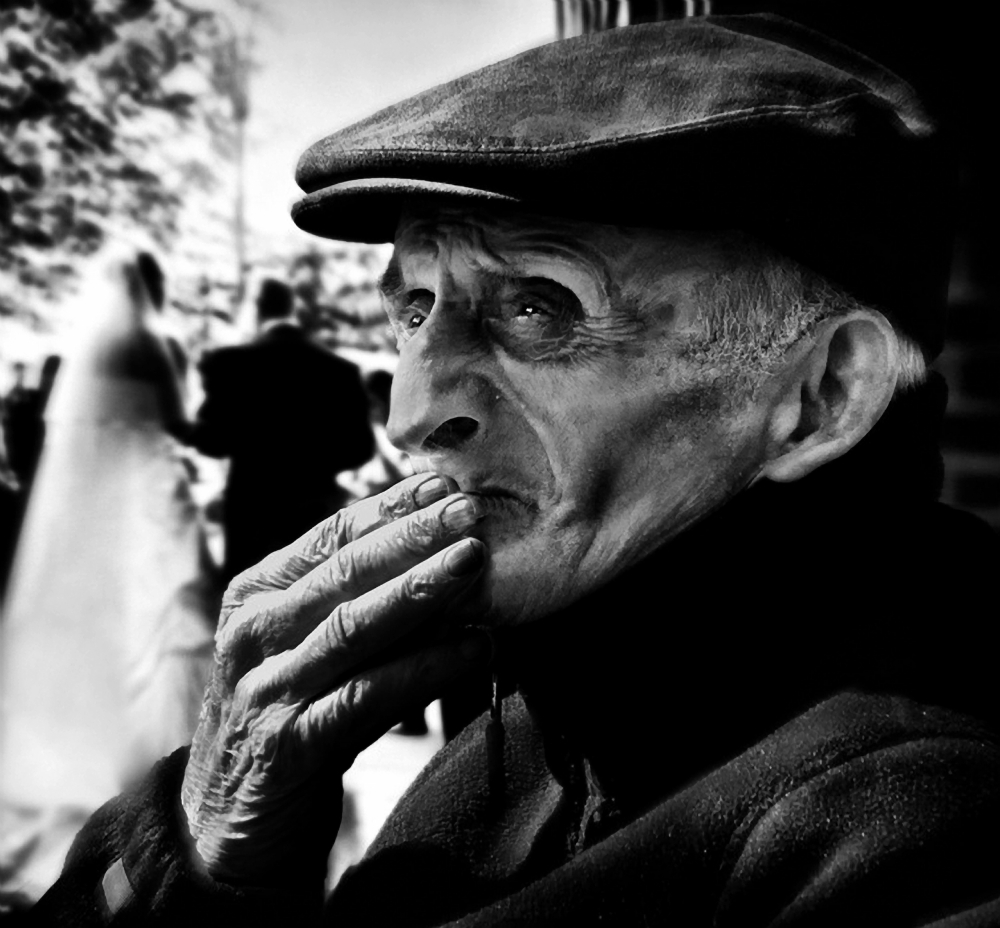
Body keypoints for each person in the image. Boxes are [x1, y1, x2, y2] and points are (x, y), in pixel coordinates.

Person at [28, 15, 1000, 926]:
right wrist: (200, 850)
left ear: (824, 393)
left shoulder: (923, 827)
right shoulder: (553, 712)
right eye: (414, 309)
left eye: (537, 305)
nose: (412, 414)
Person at [0, 252, 215, 907]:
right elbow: (176, 422)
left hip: (90, 506)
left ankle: (84, 748)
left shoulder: (83, 356)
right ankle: (149, 762)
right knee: (157, 625)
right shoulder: (155, 346)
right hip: (144, 500)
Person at [185, 278, 375, 582]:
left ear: (257, 309)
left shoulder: (230, 363)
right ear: (292, 309)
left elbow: (214, 441)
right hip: (315, 513)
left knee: (249, 599)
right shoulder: (340, 369)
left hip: (252, 512)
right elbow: (359, 449)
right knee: (314, 596)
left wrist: (182, 431)